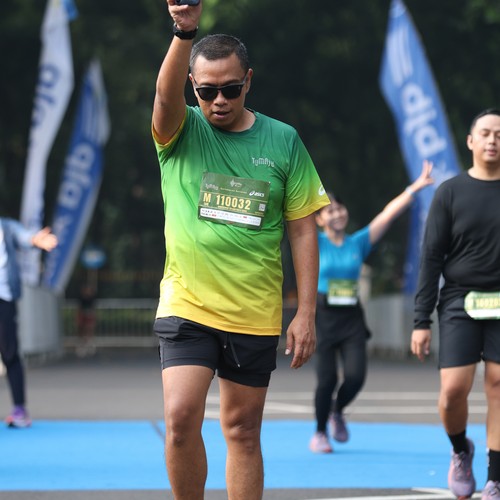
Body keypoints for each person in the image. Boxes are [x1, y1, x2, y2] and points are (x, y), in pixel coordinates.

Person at [151, 1, 329, 498]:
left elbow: (302, 230)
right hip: (187, 304)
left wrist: (306, 313)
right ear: (193, 87)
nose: (219, 101)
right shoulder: (180, 131)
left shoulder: (284, 140)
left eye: (230, 89)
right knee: (180, 419)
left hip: (253, 311)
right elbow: (163, 95)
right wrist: (183, 31)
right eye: (207, 91)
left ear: (248, 81)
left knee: (243, 431)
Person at [309, 160, 434, 453]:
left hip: (352, 318)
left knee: (355, 376)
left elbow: (387, 215)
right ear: (319, 219)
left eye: (340, 208)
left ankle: (337, 411)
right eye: (329, 210)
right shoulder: (313, 243)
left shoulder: (357, 243)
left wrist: (414, 189)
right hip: (323, 317)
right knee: (327, 379)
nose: (337, 213)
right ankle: (320, 432)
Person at [411, 108, 500, 500]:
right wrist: (421, 320)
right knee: (452, 392)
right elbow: (431, 257)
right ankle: (461, 449)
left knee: (498, 385)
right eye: (486, 133)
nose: (493, 140)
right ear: (470, 141)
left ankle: (496, 478)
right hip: (460, 301)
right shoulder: (450, 192)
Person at [0, 218, 58, 428]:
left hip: (4, 299)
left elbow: (23, 236)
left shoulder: (6, 227)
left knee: (9, 353)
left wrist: (35, 239)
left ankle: (19, 410)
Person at [75, 283, 97, 358]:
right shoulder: (81, 297)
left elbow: (93, 307)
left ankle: (89, 345)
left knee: (89, 329)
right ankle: (81, 345)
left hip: (89, 314)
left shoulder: (92, 298)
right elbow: (79, 307)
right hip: (82, 314)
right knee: (81, 330)